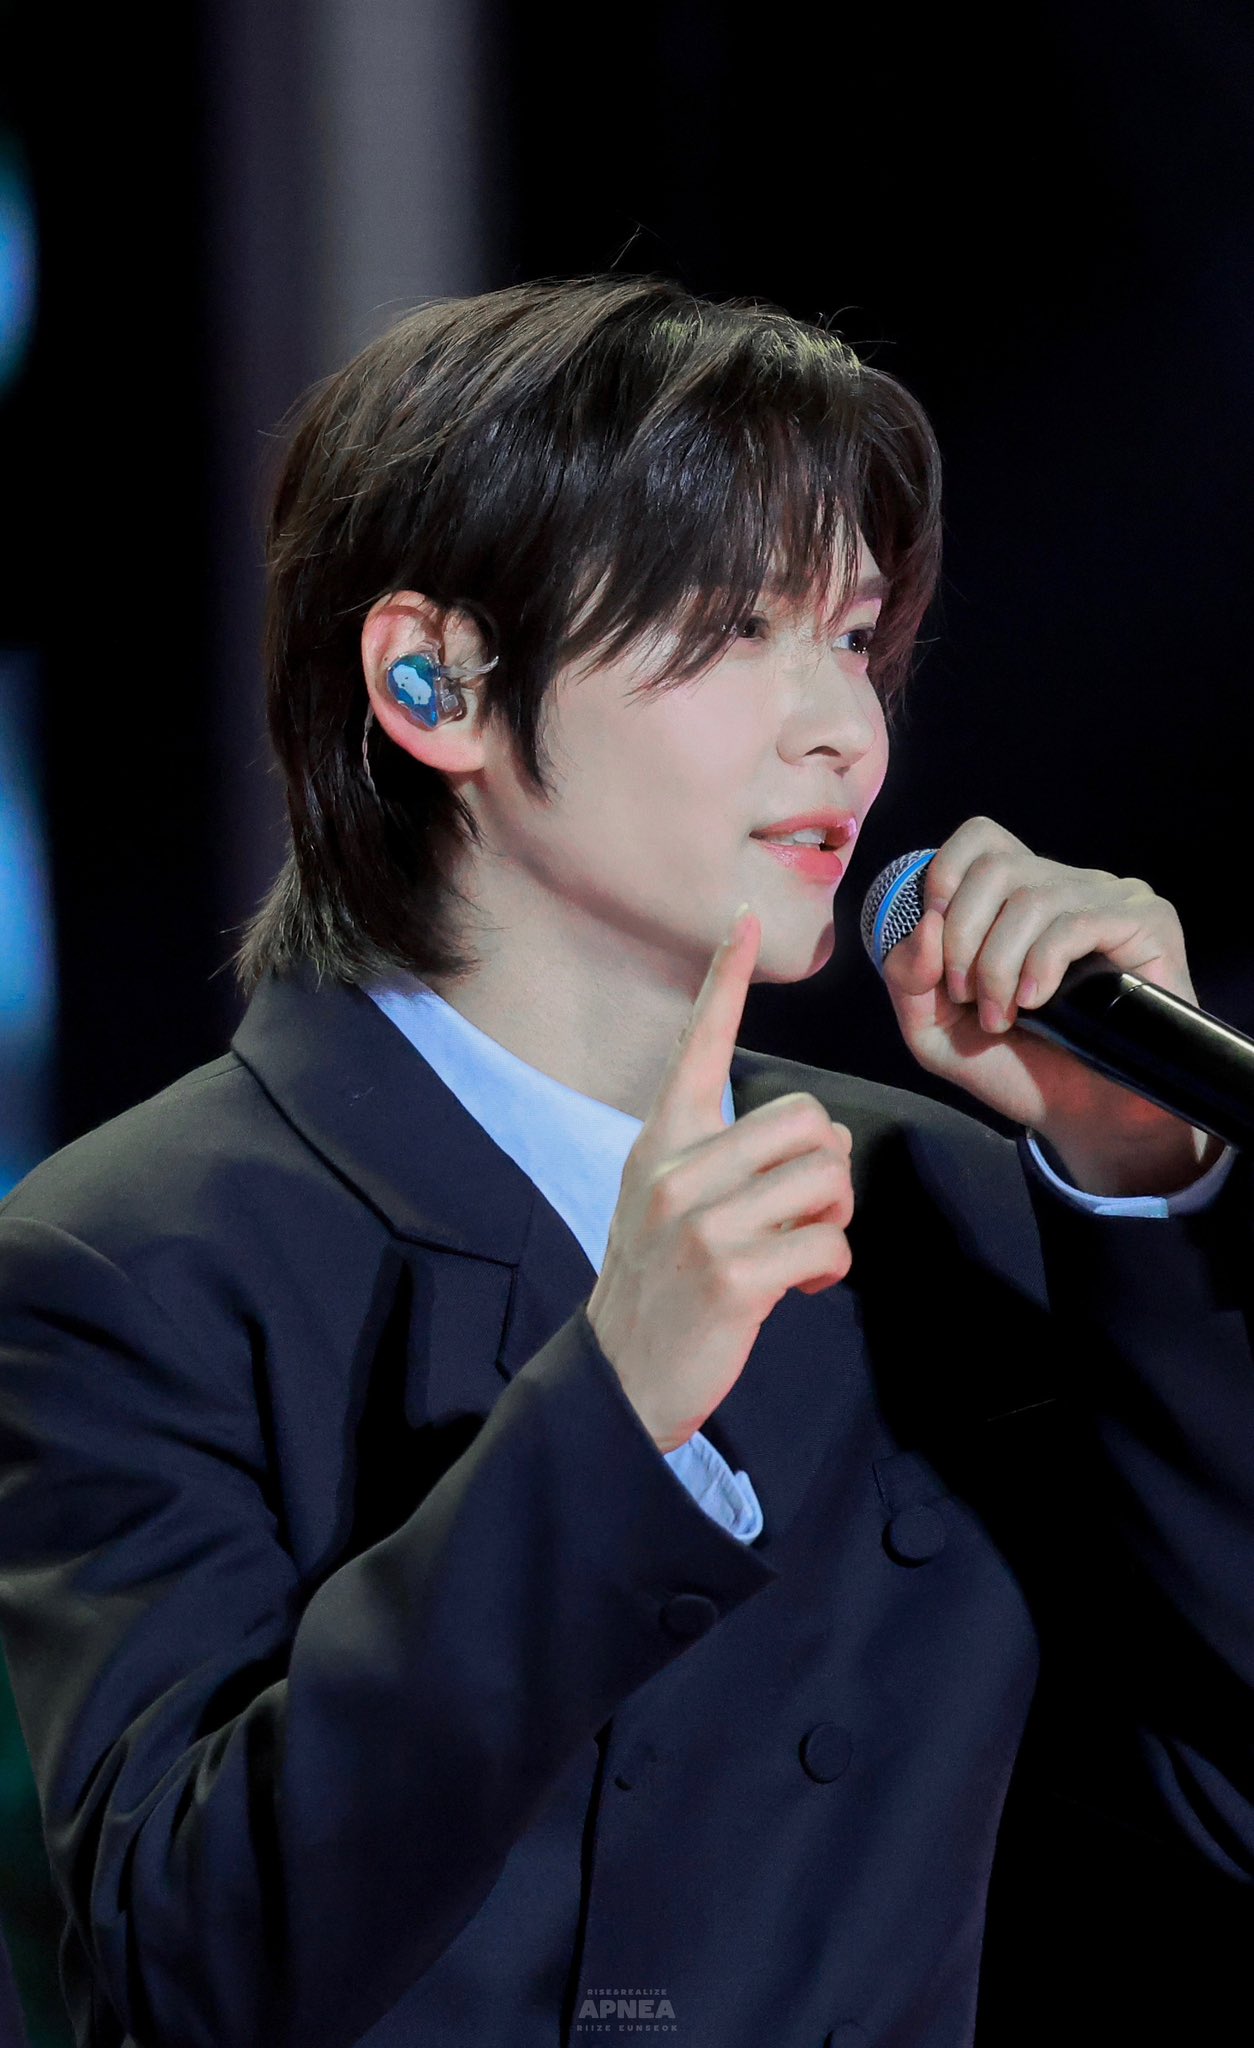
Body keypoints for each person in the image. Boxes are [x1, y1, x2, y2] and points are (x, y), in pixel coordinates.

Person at [0, 275, 1249, 2048]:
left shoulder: (948, 1201)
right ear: (435, 682)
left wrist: (1140, 1187)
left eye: (854, 635)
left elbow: (1220, 1802)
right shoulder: (131, 1255)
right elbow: (195, 1965)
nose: (845, 728)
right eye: (737, 626)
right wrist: (612, 1410)